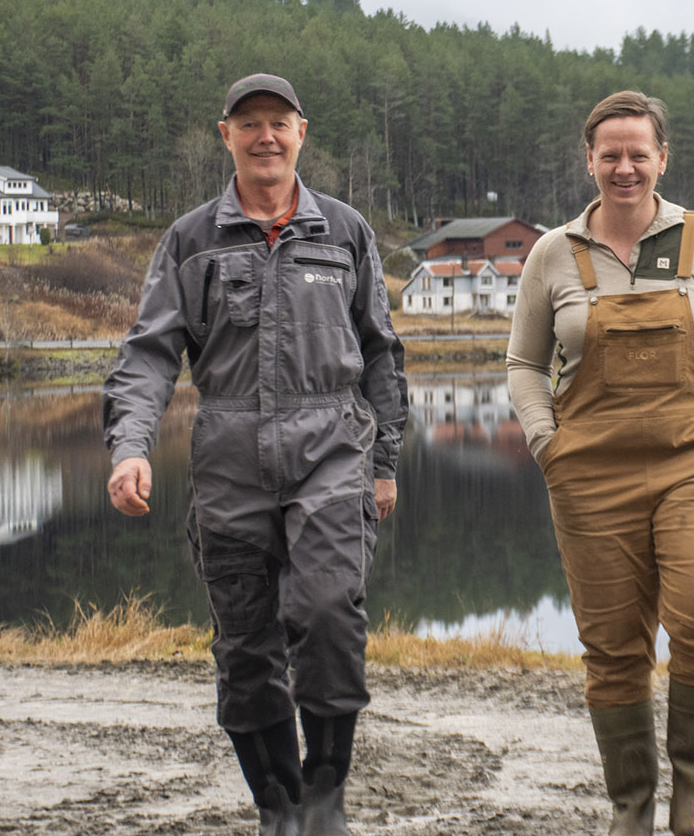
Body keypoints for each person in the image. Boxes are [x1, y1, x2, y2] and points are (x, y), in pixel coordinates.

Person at [102, 73, 407, 836]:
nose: (265, 136)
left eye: (279, 122)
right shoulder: (191, 240)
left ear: (302, 132)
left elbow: (382, 353)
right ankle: (277, 806)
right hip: (229, 455)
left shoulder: (343, 231)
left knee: (328, 610)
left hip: (331, 446)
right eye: (250, 124)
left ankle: (326, 796)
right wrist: (130, 447)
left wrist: (386, 460)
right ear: (225, 135)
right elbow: (147, 356)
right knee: (244, 645)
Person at [507, 91, 694, 836]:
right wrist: (545, 443)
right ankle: (631, 806)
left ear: (662, 158)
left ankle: (693, 791)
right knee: (613, 644)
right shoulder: (553, 252)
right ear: (588, 161)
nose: (625, 167)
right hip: (588, 470)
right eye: (610, 154)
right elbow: (525, 364)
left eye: (638, 153)